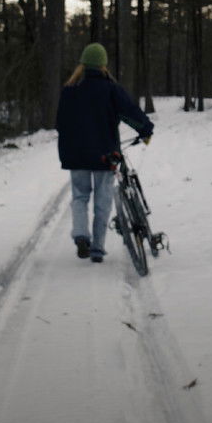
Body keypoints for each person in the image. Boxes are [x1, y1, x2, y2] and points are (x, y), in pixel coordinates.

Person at [56, 43, 154, 263]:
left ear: (82, 63)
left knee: (80, 197)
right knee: (103, 201)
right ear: (103, 65)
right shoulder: (110, 88)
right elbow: (130, 111)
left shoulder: (69, 89)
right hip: (104, 154)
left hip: (76, 154)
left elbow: (60, 124)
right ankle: (97, 248)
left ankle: (81, 235)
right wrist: (145, 130)